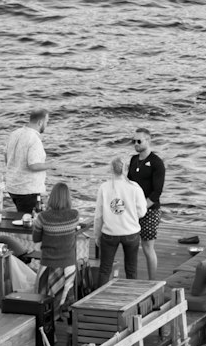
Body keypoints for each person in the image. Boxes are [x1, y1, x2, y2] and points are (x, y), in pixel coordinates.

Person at [93, 155, 148, 285]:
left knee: (105, 269)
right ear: (126, 170)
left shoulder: (104, 187)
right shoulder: (135, 187)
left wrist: (97, 235)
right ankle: (131, 297)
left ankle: (100, 298)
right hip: (131, 232)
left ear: (111, 169)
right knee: (131, 269)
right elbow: (142, 212)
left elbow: (99, 215)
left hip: (110, 233)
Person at [31, 181, 80, 307]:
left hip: (48, 264)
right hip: (68, 265)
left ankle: (46, 314)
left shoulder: (43, 217)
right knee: (67, 286)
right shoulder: (74, 215)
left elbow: (36, 238)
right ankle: (65, 308)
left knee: (41, 295)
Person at [128, 126, 166, 280]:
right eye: (133, 141)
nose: (135, 144)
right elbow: (129, 184)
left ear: (148, 141)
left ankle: (152, 281)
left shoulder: (157, 163)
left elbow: (157, 192)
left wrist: (142, 208)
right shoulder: (133, 160)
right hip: (132, 209)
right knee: (131, 246)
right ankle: (133, 279)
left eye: (139, 141)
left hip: (150, 210)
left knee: (147, 247)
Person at [4, 107, 49, 215]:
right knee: (31, 222)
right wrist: (51, 165)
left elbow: (6, 155)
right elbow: (33, 165)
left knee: (23, 217)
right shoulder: (34, 139)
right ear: (40, 122)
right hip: (28, 190)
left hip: (12, 187)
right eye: (47, 122)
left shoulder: (15, 133)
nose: (46, 125)